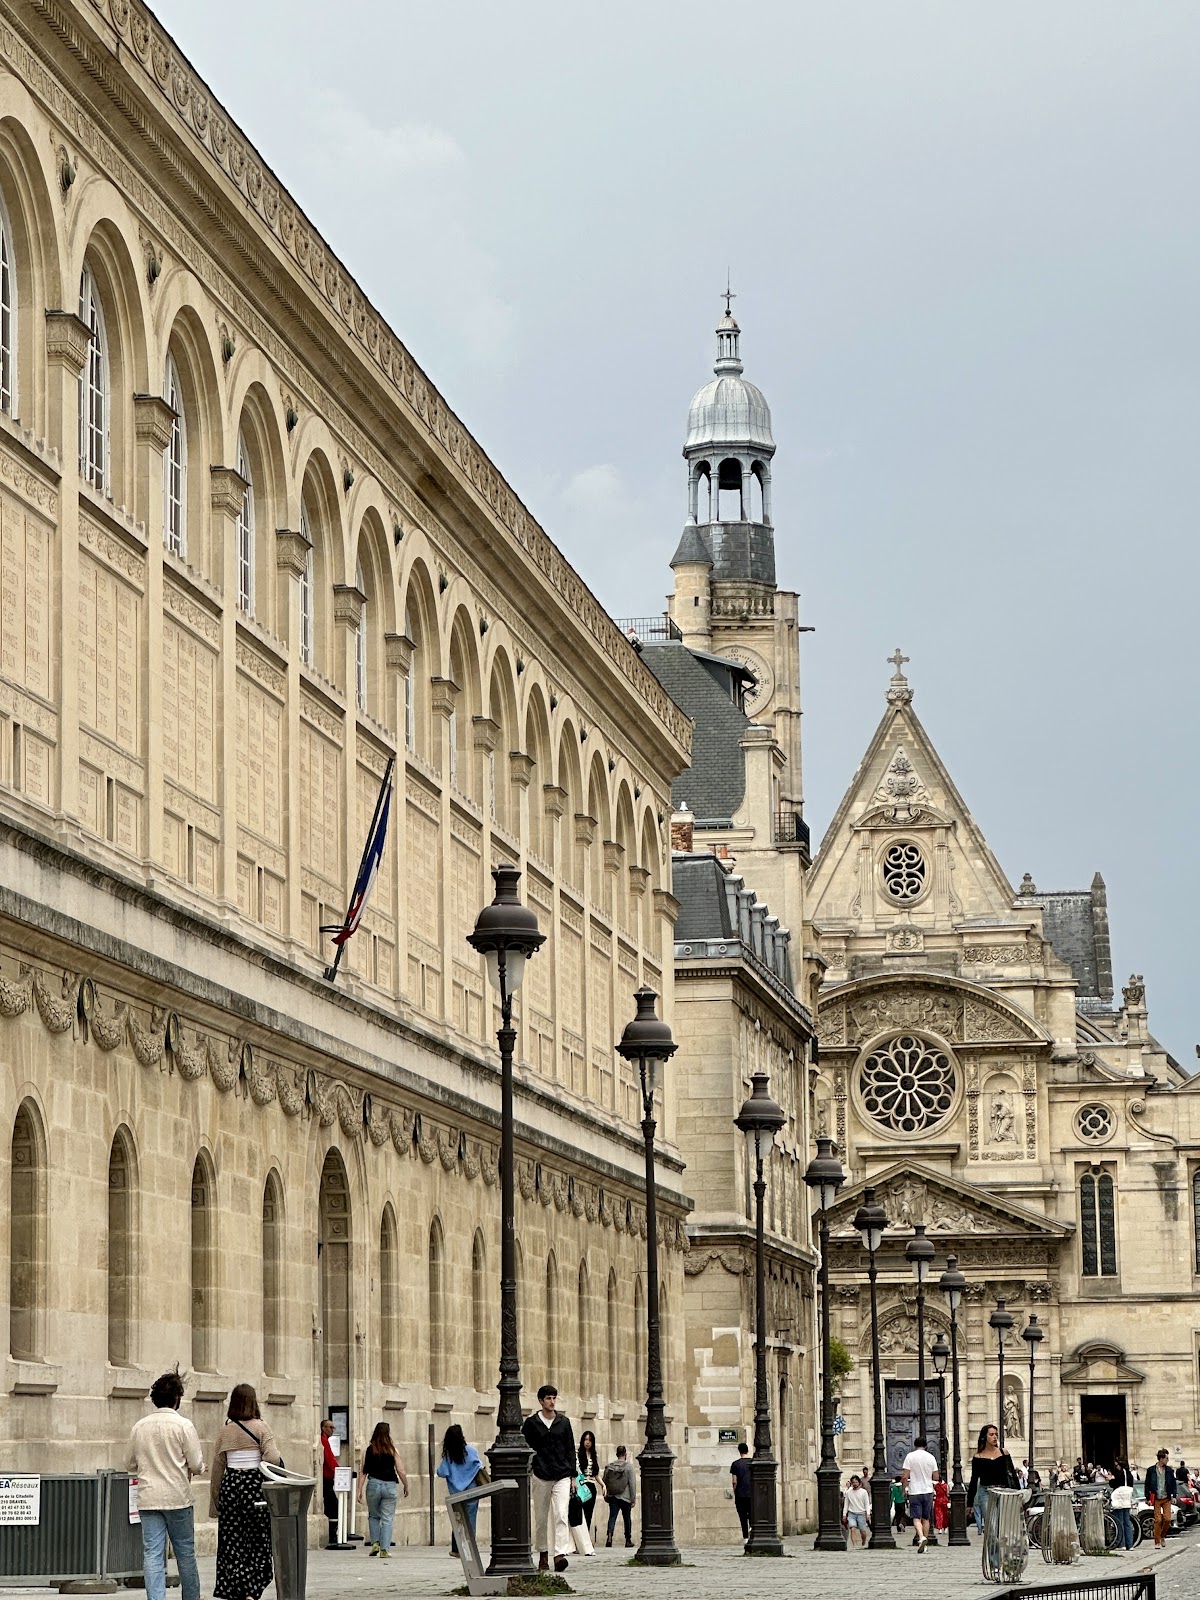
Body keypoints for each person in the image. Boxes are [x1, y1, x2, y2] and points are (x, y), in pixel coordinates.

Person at [126, 1370, 204, 1600]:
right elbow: (197, 1464)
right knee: (185, 1554)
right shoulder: (183, 1426)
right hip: (178, 1497)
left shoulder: (140, 1427)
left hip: (149, 1498)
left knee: (152, 1553)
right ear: (177, 1398)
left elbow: (129, 1462)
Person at [210, 1383, 281, 1600]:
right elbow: (273, 1458)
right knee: (257, 1538)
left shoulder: (225, 1431)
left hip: (231, 1486)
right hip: (253, 1487)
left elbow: (217, 1467)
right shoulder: (261, 1427)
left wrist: (215, 1502)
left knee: (232, 1540)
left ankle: (235, 1586)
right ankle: (253, 1587)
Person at [521, 1383, 575, 1573]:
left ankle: (559, 1554)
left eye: (554, 1398)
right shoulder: (531, 1423)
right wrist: (530, 1468)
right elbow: (525, 1447)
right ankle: (543, 1553)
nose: (552, 1402)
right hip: (541, 1474)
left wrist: (573, 1475)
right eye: (549, 1398)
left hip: (562, 1474)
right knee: (541, 1518)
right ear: (541, 1401)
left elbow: (570, 1448)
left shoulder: (564, 1422)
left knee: (561, 1513)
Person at [358, 1421, 408, 1558]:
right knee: (387, 1518)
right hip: (390, 1486)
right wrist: (406, 1485)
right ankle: (385, 1549)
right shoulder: (393, 1450)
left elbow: (363, 1472)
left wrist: (359, 1490)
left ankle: (375, 1543)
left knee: (374, 1515)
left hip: (373, 1484)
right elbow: (401, 1470)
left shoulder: (368, 1450)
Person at [435, 1424, 480, 1558]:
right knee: (471, 1518)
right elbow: (478, 1465)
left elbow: (441, 1472)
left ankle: (456, 1548)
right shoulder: (470, 1450)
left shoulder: (448, 1455)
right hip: (471, 1488)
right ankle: (470, 1548)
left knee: (458, 1519)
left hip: (456, 1492)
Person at [966, 1423, 1017, 1532]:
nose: (995, 1437)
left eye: (996, 1435)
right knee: (991, 1526)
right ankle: (994, 1548)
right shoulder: (978, 1457)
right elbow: (974, 1480)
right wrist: (970, 1503)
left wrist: (1017, 1493)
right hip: (986, 1492)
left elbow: (1012, 1474)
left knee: (1003, 1525)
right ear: (985, 1436)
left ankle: (999, 1548)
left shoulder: (1003, 1453)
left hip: (1003, 1491)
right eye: (991, 1434)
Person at [902, 1434, 938, 1552]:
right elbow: (936, 1476)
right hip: (928, 1490)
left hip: (915, 1491)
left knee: (916, 1518)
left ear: (915, 1445)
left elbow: (905, 1476)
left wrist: (904, 1489)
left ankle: (921, 1536)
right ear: (926, 1446)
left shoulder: (910, 1457)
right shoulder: (931, 1457)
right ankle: (925, 1542)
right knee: (926, 1518)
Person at [602, 1444, 636, 1548]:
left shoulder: (610, 1466)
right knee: (627, 1518)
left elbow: (604, 1480)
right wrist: (633, 1498)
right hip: (625, 1497)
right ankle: (628, 1539)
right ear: (625, 1454)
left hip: (613, 1496)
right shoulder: (628, 1467)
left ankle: (609, 1536)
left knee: (612, 1517)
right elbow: (632, 1483)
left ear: (617, 1454)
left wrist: (606, 1492)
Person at [1145, 1448, 1177, 1548]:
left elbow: (1173, 1483)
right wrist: (1148, 1497)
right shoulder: (1151, 1470)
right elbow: (1147, 1484)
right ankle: (1157, 1541)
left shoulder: (1169, 1470)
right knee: (1157, 1520)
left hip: (1166, 1497)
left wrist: (1174, 1495)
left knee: (1167, 1519)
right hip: (1156, 1498)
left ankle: (1163, 1535)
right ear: (1161, 1459)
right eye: (1166, 1458)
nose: (1168, 1460)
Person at [576, 1431, 602, 1539]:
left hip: (591, 1487)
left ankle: (585, 1540)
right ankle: (579, 1540)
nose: (587, 1442)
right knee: (578, 1514)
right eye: (586, 1439)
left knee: (588, 1514)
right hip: (581, 1486)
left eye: (590, 1440)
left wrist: (603, 1485)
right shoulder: (577, 1454)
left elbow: (596, 1474)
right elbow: (576, 1471)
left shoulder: (594, 1455)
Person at [319, 1420, 340, 1547]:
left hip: (329, 1477)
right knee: (333, 1506)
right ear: (323, 1428)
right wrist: (336, 1470)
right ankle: (332, 1535)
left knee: (331, 1505)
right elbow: (329, 1459)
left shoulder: (326, 1440)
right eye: (330, 1427)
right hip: (326, 1478)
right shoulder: (323, 1441)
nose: (333, 1429)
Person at [1109, 1458, 1136, 1552]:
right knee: (1127, 1522)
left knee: (1119, 1521)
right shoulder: (1129, 1475)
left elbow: (1113, 1484)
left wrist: (1110, 1479)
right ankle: (1130, 1544)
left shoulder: (1118, 1474)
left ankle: (1121, 1544)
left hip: (1119, 1499)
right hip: (1127, 1499)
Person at [730, 1441, 752, 1542]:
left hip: (740, 1493)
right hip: (752, 1494)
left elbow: (734, 1481)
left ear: (739, 1451)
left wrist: (735, 1492)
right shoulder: (753, 1463)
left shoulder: (735, 1464)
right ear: (747, 1450)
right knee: (752, 1514)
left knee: (743, 1517)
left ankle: (745, 1537)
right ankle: (752, 1529)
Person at [843, 1475, 871, 1549]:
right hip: (851, 1513)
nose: (855, 1484)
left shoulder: (863, 1492)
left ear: (859, 1483)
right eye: (853, 1482)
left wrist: (867, 1513)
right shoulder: (849, 1492)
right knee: (852, 1529)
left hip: (861, 1513)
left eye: (856, 1482)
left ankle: (864, 1541)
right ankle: (854, 1545)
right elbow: (846, 1504)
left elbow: (866, 1504)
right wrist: (844, 1514)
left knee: (863, 1531)